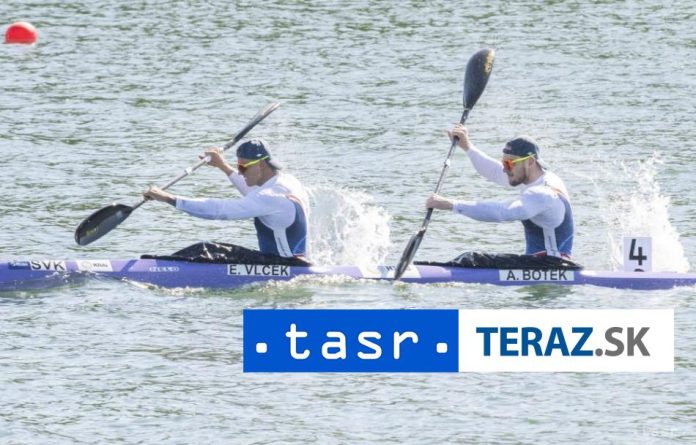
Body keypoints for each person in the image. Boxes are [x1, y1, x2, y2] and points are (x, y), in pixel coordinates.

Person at [425, 124, 577, 268]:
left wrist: (451, 204)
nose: (505, 169)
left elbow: (502, 212)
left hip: (553, 266)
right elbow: (494, 171)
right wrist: (467, 146)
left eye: (509, 164)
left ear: (530, 161)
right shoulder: (535, 176)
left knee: (473, 259)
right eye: (504, 163)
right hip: (539, 263)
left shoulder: (543, 194)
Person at [143, 138, 310, 264]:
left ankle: (158, 268)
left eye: (243, 167)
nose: (240, 172)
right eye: (238, 167)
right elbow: (253, 193)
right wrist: (222, 165)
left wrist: (169, 198)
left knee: (205, 250)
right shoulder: (287, 182)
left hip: (282, 265)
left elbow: (219, 210)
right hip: (295, 262)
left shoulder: (270, 197)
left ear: (261, 165)